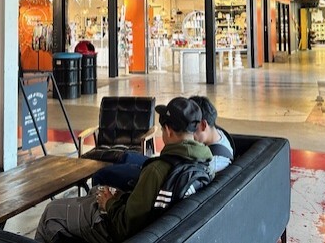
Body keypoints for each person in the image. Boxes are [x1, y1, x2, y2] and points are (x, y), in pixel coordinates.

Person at [34, 97, 212, 243]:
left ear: (168, 130)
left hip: (116, 229)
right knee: (96, 191)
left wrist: (110, 204)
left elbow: (125, 225)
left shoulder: (158, 170)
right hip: (155, 227)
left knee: (52, 212)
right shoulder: (204, 163)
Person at [92, 95, 232, 191]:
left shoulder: (214, 163)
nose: (187, 133)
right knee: (126, 157)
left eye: (190, 129)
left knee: (101, 174)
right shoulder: (219, 135)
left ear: (203, 125)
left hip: (165, 176)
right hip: (167, 165)